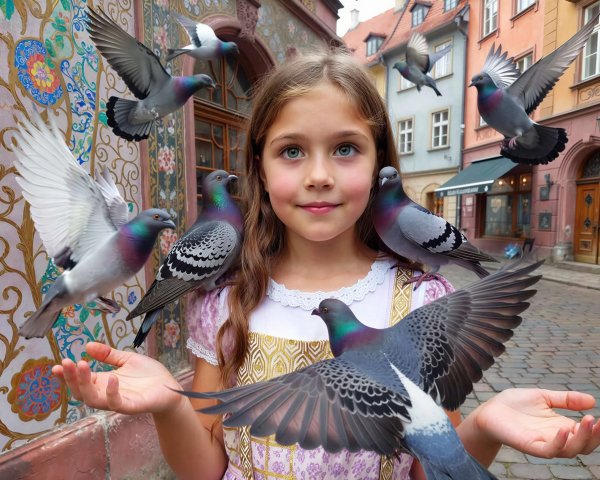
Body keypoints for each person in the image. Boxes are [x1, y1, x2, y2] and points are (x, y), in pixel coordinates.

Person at [52, 50, 600, 480]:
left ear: (380, 162)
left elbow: (429, 462)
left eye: (345, 149)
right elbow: (206, 467)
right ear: (260, 170)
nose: (319, 175)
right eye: (292, 151)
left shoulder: (422, 297)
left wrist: (483, 423)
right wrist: (170, 407)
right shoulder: (223, 301)